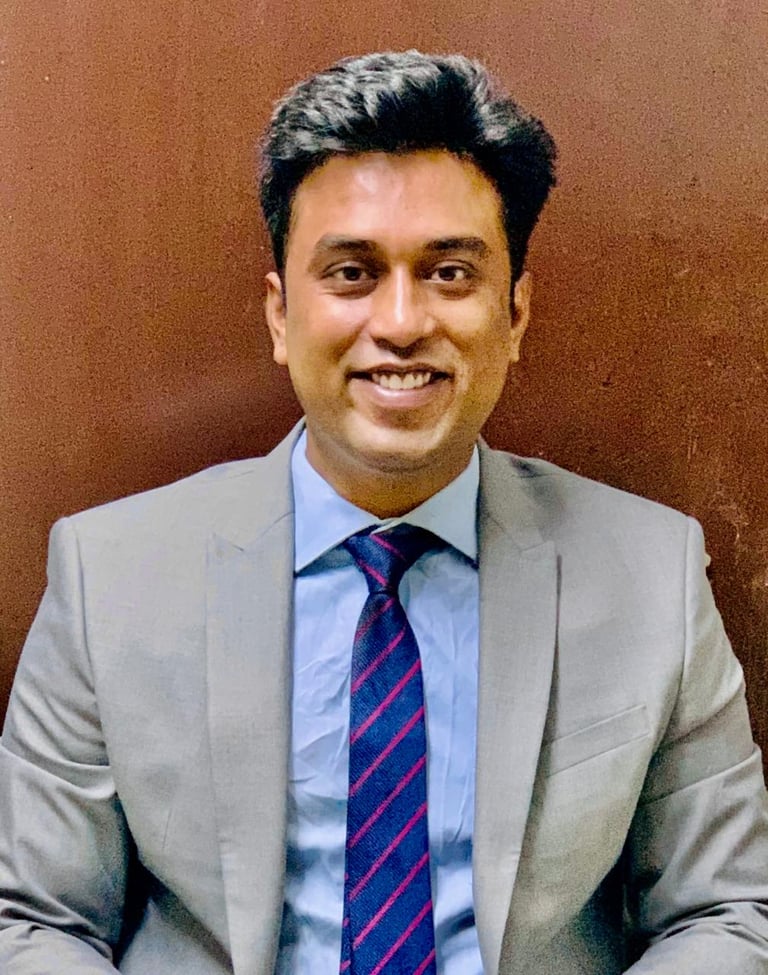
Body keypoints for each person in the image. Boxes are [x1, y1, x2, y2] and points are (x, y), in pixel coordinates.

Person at [1, 50, 766, 975]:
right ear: (280, 316)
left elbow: (727, 909)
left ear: (516, 314)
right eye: (353, 273)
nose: (401, 322)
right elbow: (31, 919)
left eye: (450, 272)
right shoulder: (111, 574)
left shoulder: (650, 572)